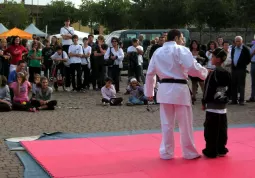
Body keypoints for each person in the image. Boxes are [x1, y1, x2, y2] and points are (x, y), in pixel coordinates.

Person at [145, 29, 208, 160]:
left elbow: (150, 73)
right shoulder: (181, 49)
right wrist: (204, 73)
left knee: (166, 124)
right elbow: (192, 67)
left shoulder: (158, 51)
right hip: (179, 89)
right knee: (185, 123)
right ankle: (189, 152)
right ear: (177, 37)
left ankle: (166, 153)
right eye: (182, 38)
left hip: (164, 89)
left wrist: (149, 92)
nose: (183, 40)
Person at [202, 48, 231, 158]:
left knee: (210, 129)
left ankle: (211, 150)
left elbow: (207, 89)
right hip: (222, 105)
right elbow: (231, 89)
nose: (212, 59)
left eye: (213, 57)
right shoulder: (227, 73)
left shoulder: (212, 74)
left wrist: (204, 102)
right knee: (222, 128)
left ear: (218, 59)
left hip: (212, 105)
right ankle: (221, 148)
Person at [230, 36, 251, 105]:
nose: (238, 42)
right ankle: (234, 100)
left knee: (241, 85)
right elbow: (232, 57)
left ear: (242, 42)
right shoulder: (233, 48)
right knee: (233, 85)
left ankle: (241, 100)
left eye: (239, 41)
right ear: (235, 42)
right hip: (234, 69)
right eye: (236, 41)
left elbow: (248, 59)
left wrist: (243, 64)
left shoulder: (245, 49)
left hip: (241, 69)